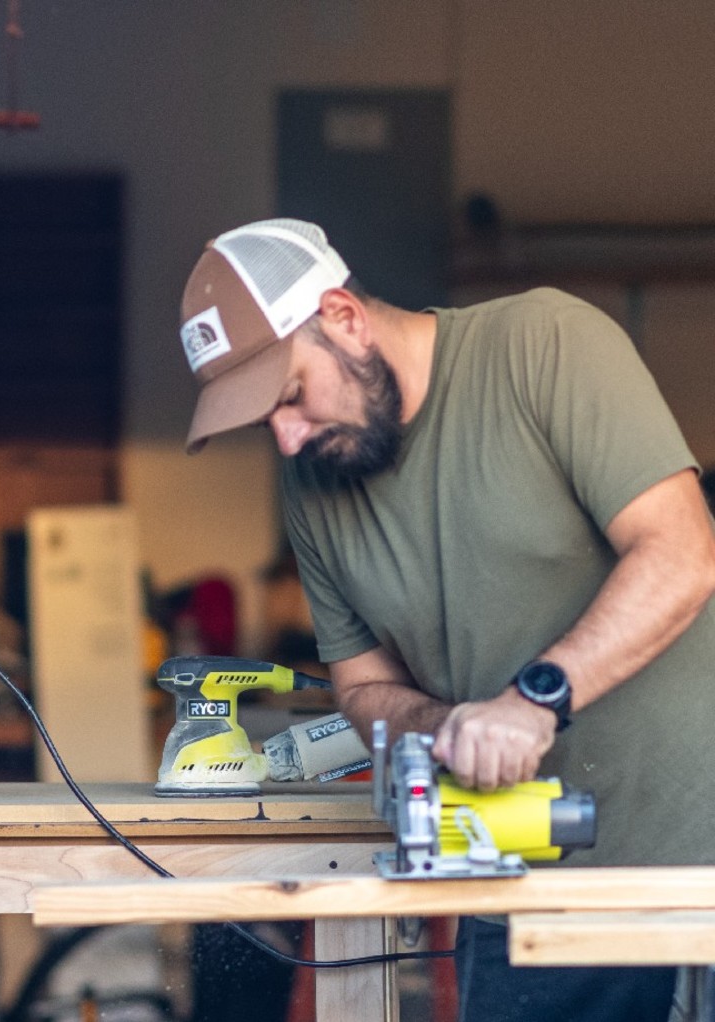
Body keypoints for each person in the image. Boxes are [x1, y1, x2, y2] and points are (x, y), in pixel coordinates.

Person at [177, 218, 715, 1022]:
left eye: (290, 397)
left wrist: (533, 701)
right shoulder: (314, 487)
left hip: (700, 850)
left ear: (344, 317)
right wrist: (451, 723)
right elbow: (363, 687)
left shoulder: (544, 346)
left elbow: (683, 551)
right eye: (266, 424)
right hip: (525, 886)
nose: (286, 440)